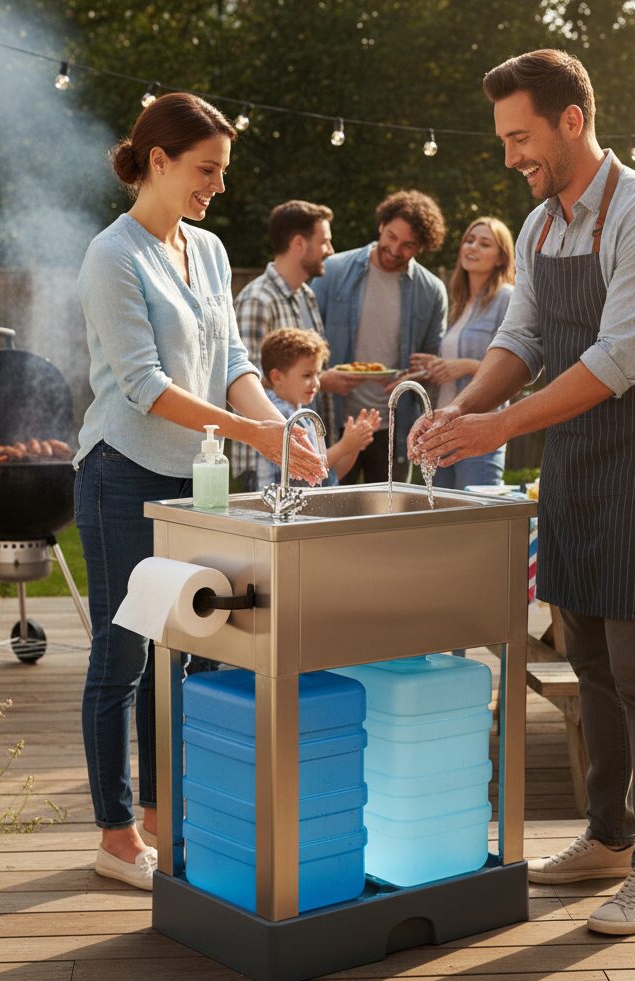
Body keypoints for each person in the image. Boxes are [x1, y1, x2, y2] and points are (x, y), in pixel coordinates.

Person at [412, 49, 635, 936]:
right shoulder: (542, 226)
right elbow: (526, 333)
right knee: (584, 658)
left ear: (571, 120)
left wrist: (496, 430)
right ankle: (609, 835)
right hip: (574, 452)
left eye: (521, 137)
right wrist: (462, 411)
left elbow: (619, 360)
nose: (510, 157)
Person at [74, 94, 325, 891]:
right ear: (158, 161)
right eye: (205, 170)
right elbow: (145, 386)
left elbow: (232, 366)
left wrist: (280, 426)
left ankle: (160, 816)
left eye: (221, 171)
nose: (217, 185)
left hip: (196, 481)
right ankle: (115, 836)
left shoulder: (210, 251)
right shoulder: (112, 257)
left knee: (183, 652)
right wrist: (253, 435)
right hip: (121, 470)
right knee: (123, 655)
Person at [311, 190, 448, 484]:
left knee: (389, 521)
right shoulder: (334, 271)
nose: (395, 249)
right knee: (328, 521)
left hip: (394, 429)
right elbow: (307, 339)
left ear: (422, 247)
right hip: (335, 421)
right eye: (391, 236)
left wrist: (415, 375)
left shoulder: (432, 291)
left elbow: (431, 363)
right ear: (381, 226)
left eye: (408, 245)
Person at [231, 200, 357, 487]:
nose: (330, 251)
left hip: (305, 455)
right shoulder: (257, 300)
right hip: (265, 464)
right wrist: (326, 381)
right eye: (324, 241)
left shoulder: (308, 296)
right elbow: (246, 381)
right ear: (299, 243)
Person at [410, 217, 515, 489]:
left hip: (477, 428)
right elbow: (452, 364)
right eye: (469, 240)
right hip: (441, 429)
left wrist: (466, 366)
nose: (473, 247)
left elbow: (515, 368)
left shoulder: (507, 298)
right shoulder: (458, 304)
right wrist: (436, 367)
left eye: (484, 243)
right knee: (441, 519)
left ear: (501, 258)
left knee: (476, 515)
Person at [250, 327, 381, 488]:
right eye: (307, 375)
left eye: (317, 374)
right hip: (282, 507)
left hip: (306, 505)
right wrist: (344, 445)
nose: (315, 383)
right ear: (277, 377)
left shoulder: (304, 416)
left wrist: (354, 446)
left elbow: (329, 474)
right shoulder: (280, 416)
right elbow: (311, 467)